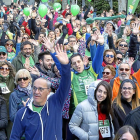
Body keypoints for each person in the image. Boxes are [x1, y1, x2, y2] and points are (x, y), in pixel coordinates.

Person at [10, 45, 71, 140]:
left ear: (48, 91)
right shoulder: (22, 113)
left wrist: (65, 66)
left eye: (41, 89)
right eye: (34, 88)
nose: (36, 92)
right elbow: (14, 137)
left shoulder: (55, 104)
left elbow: (66, 84)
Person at [0, 61, 15, 139]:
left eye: (7, 69)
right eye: (2, 68)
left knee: (10, 137)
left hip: (10, 114)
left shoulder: (14, 80)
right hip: (1, 117)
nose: (4, 70)